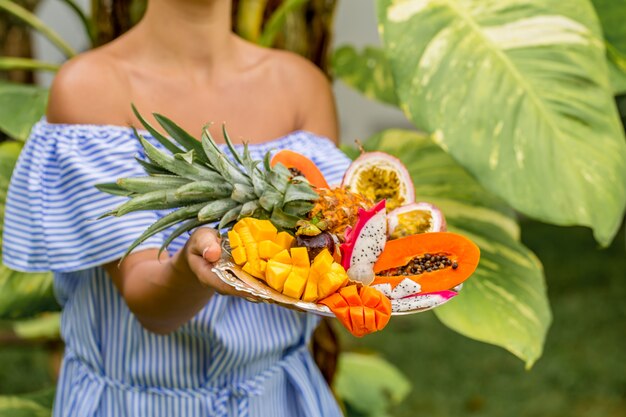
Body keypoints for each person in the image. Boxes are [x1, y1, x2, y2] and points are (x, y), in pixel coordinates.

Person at [2, 0, 350, 415]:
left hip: (281, 397)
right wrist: (191, 266)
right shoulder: (90, 89)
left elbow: (330, 254)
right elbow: (150, 304)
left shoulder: (302, 86)